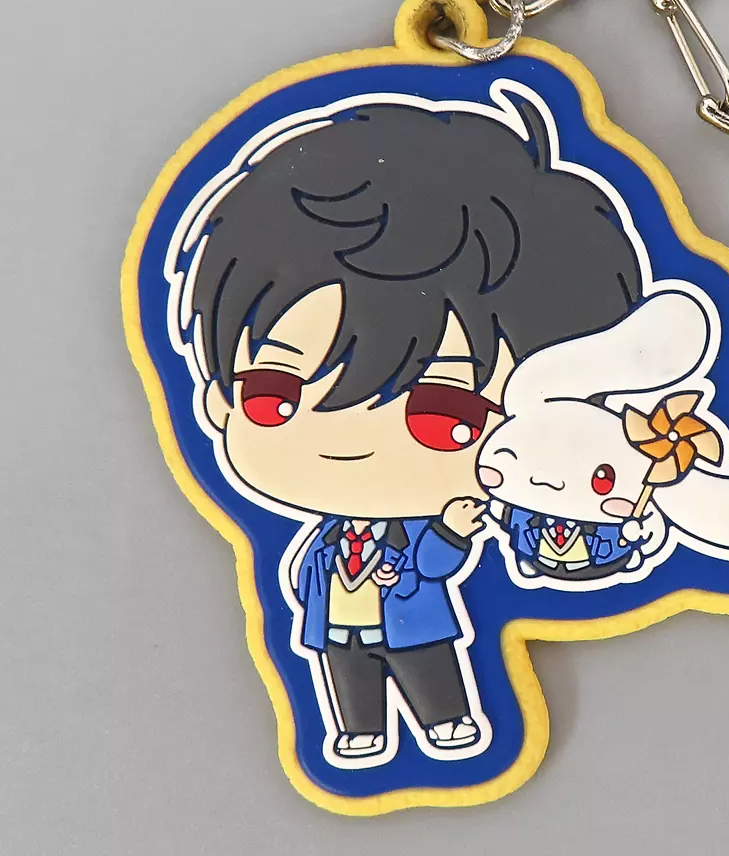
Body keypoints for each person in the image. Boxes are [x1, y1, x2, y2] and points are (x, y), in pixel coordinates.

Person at [171, 97, 642, 759]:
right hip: (340, 630)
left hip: (414, 624)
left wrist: (450, 529)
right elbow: (305, 579)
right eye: (276, 394)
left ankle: (446, 720)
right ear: (220, 402)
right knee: (350, 678)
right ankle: (359, 729)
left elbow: (437, 562)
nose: (348, 433)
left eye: (442, 412)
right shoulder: (324, 540)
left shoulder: (437, 521)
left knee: (430, 670)